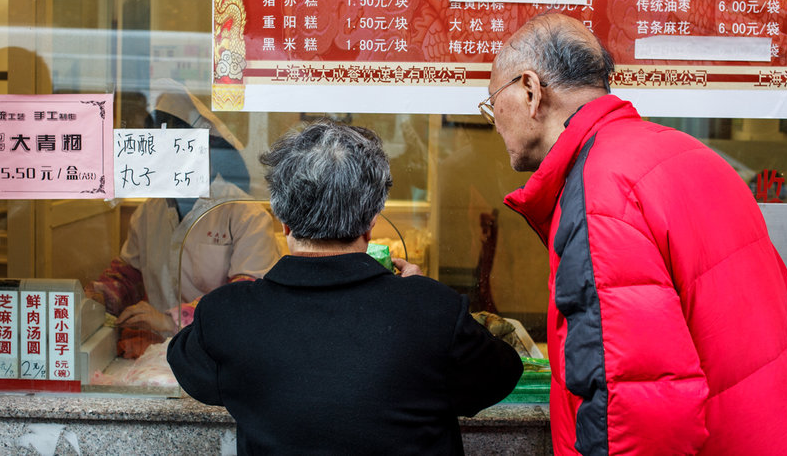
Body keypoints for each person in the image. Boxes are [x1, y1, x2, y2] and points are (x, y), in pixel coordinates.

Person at [481, 13, 787, 455]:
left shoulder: (602, 187)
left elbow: (634, 409)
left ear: (530, 90)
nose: (494, 120)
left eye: (493, 102)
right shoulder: (694, 154)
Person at [168, 119, 523, 455]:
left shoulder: (227, 315)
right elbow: (502, 374)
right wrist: (420, 294)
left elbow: (187, 366)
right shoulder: (434, 311)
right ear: (371, 222)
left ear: (284, 222)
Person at [88, 83, 280, 355]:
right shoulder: (149, 212)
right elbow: (129, 275)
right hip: (158, 356)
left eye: (177, 147)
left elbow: (247, 296)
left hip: (221, 354)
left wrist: (172, 320)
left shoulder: (245, 214)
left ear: (206, 150)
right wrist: (97, 299)